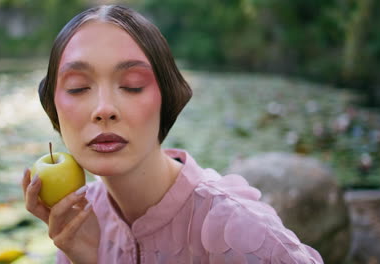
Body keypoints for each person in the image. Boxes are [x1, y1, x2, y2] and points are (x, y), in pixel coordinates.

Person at [22, 4, 324, 264]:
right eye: (78, 88)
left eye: (132, 85)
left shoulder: (240, 233)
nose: (104, 109)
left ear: (166, 97)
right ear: (53, 107)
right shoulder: (77, 221)